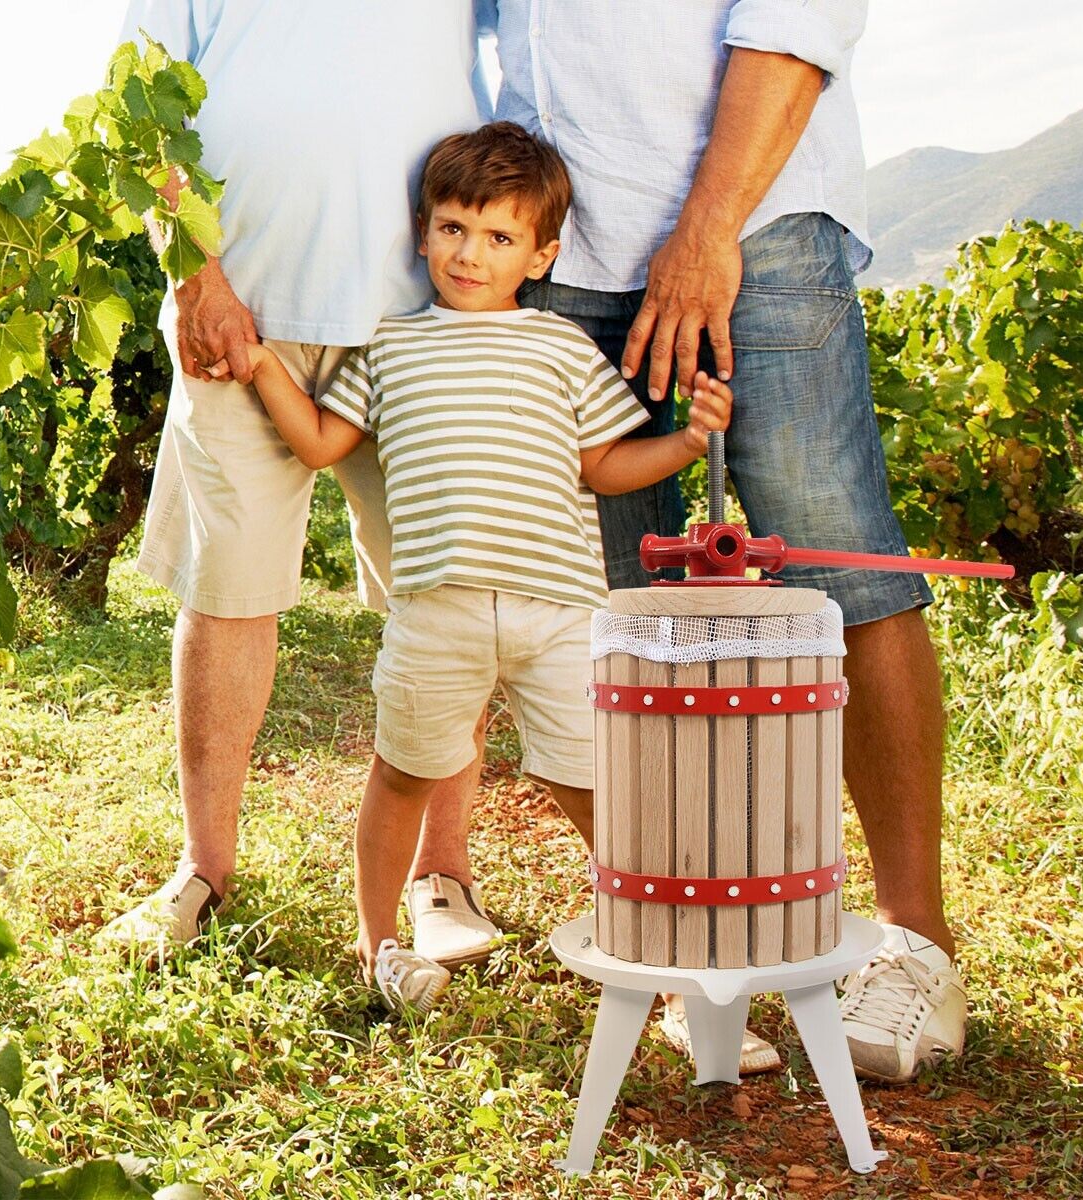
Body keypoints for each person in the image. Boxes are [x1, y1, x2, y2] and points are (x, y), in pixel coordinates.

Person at [486, 1, 966, 1083]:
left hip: (759, 226)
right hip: (567, 253)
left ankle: (916, 945)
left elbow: (799, 19)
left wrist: (707, 228)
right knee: (616, 617)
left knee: (843, 566)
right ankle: (678, 939)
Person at [215, 122, 733, 1010]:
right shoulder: (389, 345)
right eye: (453, 228)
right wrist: (264, 366)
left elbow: (604, 466)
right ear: (423, 233)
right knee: (402, 775)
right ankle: (380, 946)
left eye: (499, 237)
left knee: (595, 786)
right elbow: (319, 443)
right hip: (435, 613)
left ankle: (673, 961)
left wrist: (688, 441)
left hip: (559, 615)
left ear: (541, 256)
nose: (469, 254)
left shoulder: (561, 347)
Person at [99, 2, 504, 968]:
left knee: (445, 600)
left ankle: (441, 874)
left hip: (419, 319)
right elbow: (136, 109)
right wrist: (197, 278)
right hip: (234, 311)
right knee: (226, 592)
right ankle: (204, 868)